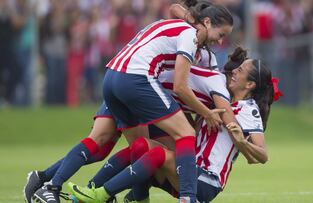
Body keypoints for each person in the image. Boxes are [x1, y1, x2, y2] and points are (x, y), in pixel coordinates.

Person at [30, 1, 234, 203]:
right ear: (206, 22)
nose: (220, 41)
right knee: (184, 135)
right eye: (221, 34)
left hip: (113, 76)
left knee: (115, 145)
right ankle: (188, 197)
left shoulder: (181, 28)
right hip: (138, 80)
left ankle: (49, 185)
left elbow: (174, 8)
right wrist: (207, 114)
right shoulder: (190, 35)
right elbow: (181, 86)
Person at [68, 49, 283, 203]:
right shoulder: (219, 99)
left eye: (242, 70)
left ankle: (102, 195)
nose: (234, 71)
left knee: (157, 155)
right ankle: (101, 191)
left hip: (207, 182)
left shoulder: (249, 109)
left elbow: (262, 156)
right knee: (141, 146)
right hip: (187, 169)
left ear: (250, 84)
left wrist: (241, 143)